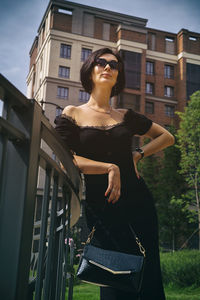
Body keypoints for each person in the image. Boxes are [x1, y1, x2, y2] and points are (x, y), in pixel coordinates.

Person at [55, 47, 175, 300]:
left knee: (149, 274)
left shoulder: (125, 116)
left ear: (119, 77)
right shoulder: (72, 113)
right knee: (112, 277)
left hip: (139, 202)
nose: (108, 67)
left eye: (114, 64)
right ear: (90, 69)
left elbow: (167, 137)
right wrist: (109, 167)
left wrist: (137, 154)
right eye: (101, 62)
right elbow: (67, 160)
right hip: (104, 204)